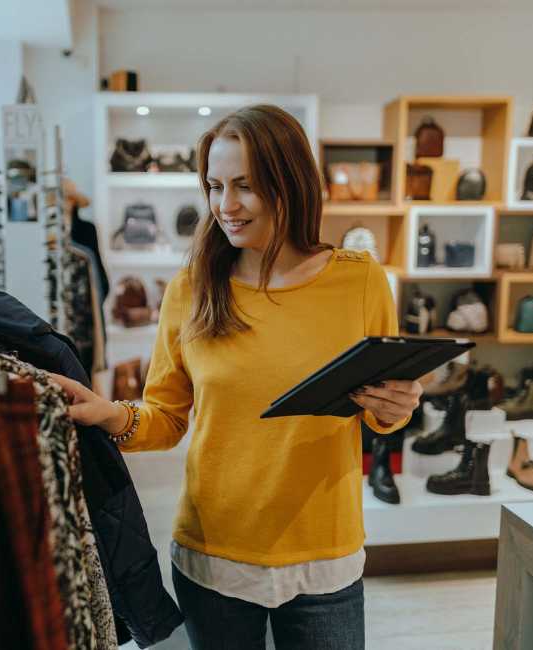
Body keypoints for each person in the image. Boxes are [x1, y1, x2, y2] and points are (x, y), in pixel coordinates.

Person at [52, 104, 422, 649]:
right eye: (214, 186)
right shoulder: (191, 290)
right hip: (215, 553)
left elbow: (380, 411)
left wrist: (397, 411)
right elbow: (165, 418)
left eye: (245, 186)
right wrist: (112, 415)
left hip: (325, 556)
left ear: (289, 184)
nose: (225, 205)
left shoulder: (361, 282)